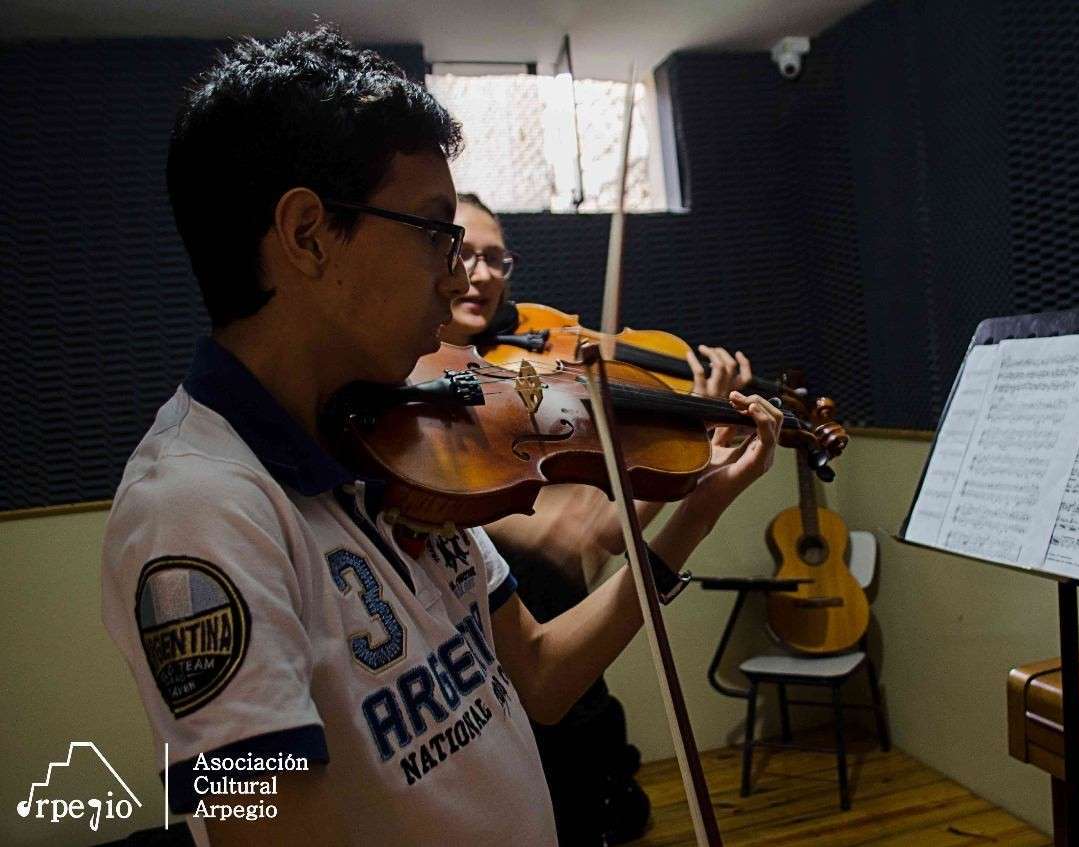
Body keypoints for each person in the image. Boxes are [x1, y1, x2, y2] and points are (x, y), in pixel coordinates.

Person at [99, 26, 781, 847]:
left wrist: (697, 510)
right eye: (433, 232)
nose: (458, 276)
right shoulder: (193, 511)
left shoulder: (405, 444)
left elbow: (543, 674)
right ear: (308, 233)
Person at [431, 194, 755, 844]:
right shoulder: (405, 396)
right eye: (465, 253)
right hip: (475, 703)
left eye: (497, 258)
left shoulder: (522, 374)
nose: (484, 274)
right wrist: (538, 524)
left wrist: (692, 452)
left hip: (564, 665)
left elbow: (602, 532)